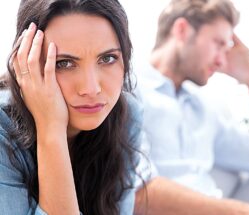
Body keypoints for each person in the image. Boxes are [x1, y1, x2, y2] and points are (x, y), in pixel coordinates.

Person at [134, 0, 249, 214]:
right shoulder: (127, 92)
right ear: (182, 30)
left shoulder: (204, 110)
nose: (221, 61)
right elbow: (136, 192)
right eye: (218, 43)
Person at [0, 0, 143, 214]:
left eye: (108, 58)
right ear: (26, 62)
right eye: (63, 63)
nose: (91, 88)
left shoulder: (126, 115)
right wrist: (51, 129)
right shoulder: (3, 132)